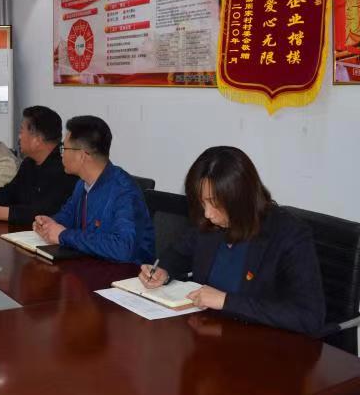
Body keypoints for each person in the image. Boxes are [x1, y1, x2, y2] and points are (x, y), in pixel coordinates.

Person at [137, 146, 325, 336]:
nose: (207, 213)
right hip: (208, 335)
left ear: (241, 197)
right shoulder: (209, 223)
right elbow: (178, 253)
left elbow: (309, 317)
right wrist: (163, 271)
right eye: (202, 202)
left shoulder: (288, 234)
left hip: (262, 343)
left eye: (214, 203)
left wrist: (226, 301)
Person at [33, 116, 154, 264]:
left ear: (82, 155)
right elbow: (68, 215)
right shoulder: (82, 183)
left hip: (125, 273)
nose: (61, 154)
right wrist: (49, 224)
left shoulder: (124, 191)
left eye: (64, 148)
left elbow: (123, 248)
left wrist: (63, 235)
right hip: (89, 265)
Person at [0, 106, 77, 224]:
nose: (19, 137)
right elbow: (10, 191)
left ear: (37, 140)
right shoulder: (29, 162)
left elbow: (46, 211)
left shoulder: (64, 167)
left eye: (21, 132)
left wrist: (1, 213)